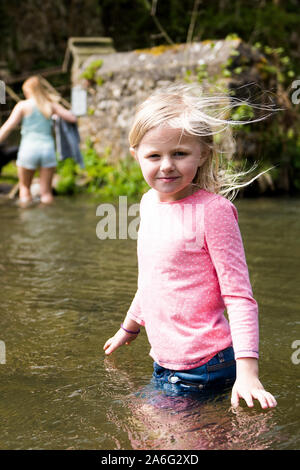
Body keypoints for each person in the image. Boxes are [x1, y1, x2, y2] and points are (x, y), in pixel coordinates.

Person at [103, 84, 278, 410]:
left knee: (154, 431)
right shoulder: (147, 204)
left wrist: (248, 372)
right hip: (166, 362)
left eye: (179, 154)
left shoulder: (214, 212)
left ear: (203, 153)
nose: (166, 165)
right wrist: (128, 327)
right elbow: (154, 279)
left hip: (205, 363)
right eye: (154, 155)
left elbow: (239, 297)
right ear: (136, 156)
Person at [0, 75, 77, 205]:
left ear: (28, 91)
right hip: (47, 149)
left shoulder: (22, 105)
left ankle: (26, 220)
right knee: (46, 193)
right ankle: (48, 221)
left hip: (28, 149)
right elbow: (72, 118)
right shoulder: (50, 105)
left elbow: (7, 127)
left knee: (24, 188)